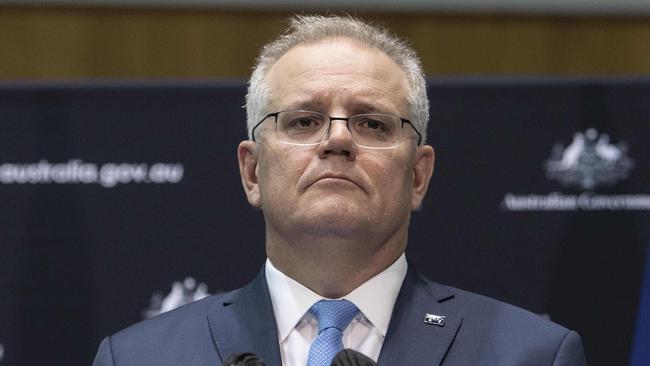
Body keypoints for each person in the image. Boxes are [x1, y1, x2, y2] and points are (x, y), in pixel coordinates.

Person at [92, 15, 587, 366]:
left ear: (418, 175)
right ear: (251, 171)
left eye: (372, 124)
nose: (338, 139)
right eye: (304, 120)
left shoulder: (532, 354)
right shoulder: (140, 357)